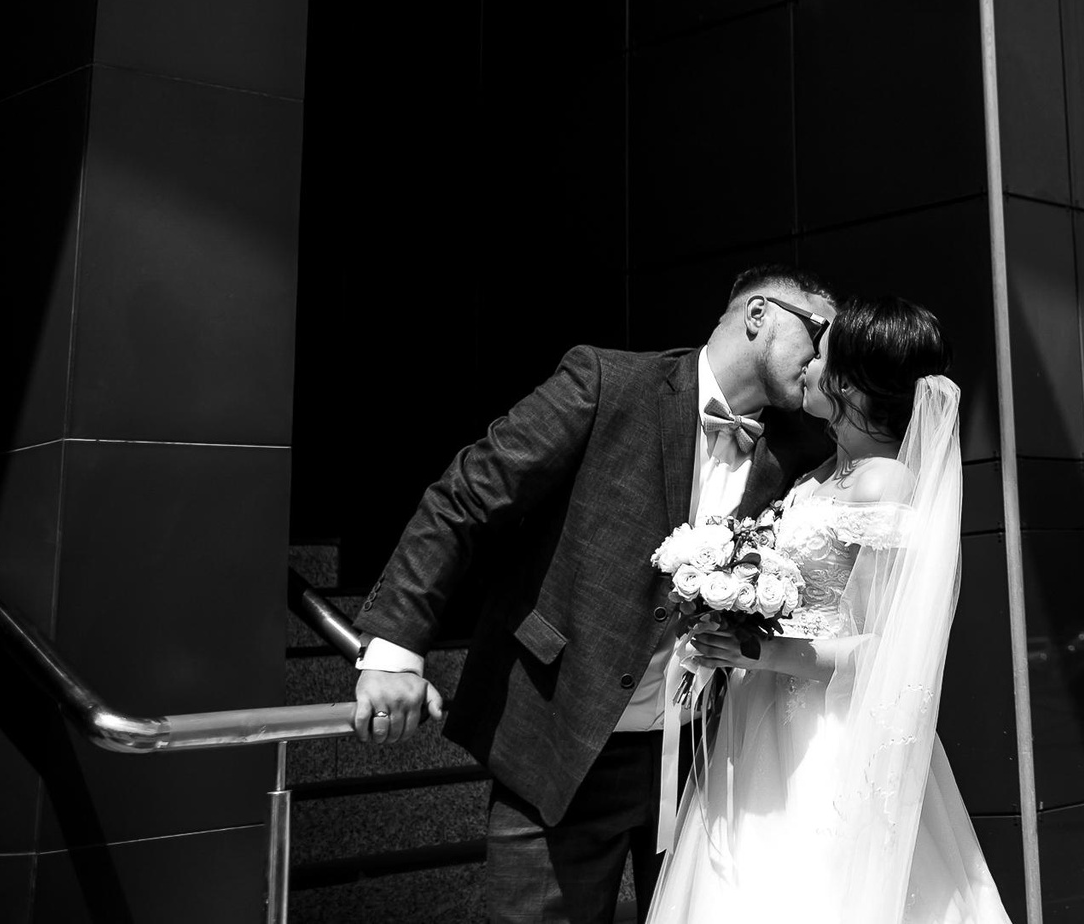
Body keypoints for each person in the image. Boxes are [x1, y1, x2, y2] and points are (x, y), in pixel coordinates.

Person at [350, 268, 839, 924]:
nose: (825, 353)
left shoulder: (801, 448)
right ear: (759, 314)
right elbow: (466, 497)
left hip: (703, 758)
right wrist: (393, 649)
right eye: (818, 330)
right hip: (563, 740)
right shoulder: (607, 383)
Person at [644, 296, 1010, 924]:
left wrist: (757, 649)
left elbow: (883, 649)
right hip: (761, 715)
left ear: (854, 386)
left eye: (823, 356)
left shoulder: (881, 483)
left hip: (827, 736)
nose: (809, 365)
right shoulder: (822, 471)